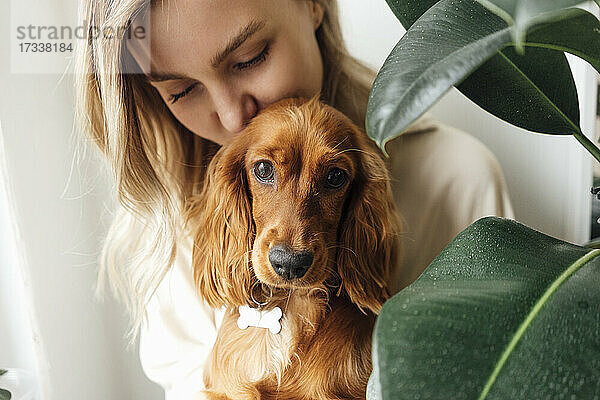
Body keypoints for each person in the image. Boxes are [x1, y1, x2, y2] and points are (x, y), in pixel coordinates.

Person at [74, 0, 515, 398]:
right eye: (182, 91)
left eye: (250, 58)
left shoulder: (460, 180)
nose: (232, 116)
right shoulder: (165, 226)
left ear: (312, 3)